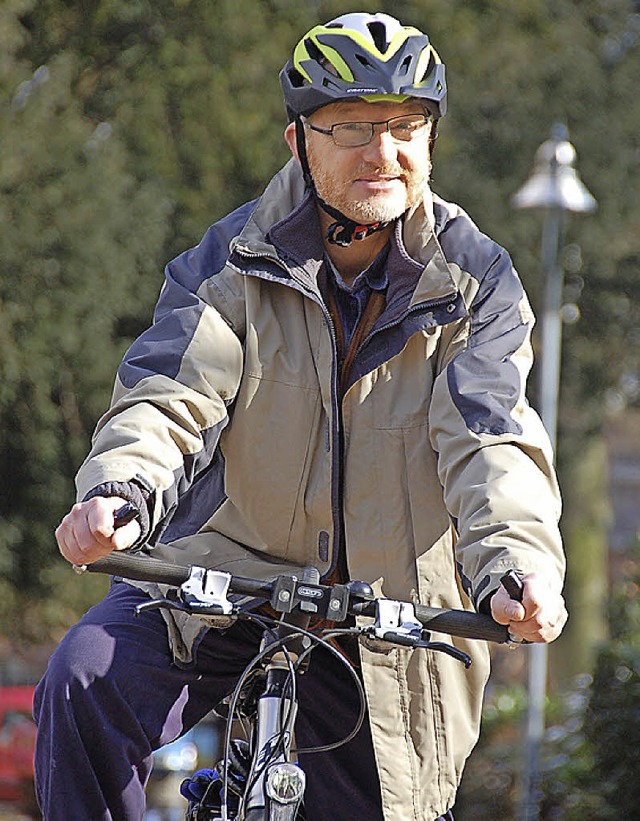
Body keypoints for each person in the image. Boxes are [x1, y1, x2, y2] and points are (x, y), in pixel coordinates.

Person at [34, 12, 567, 821]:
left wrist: (515, 569)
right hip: (226, 575)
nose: (381, 153)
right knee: (82, 677)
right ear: (298, 141)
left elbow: (491, 442)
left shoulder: (475, 284)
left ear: (428, 139)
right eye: (351, 126)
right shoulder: (231, 259)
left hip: (391, 613)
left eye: (403, 126)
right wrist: (119, 493)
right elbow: (170, 396)